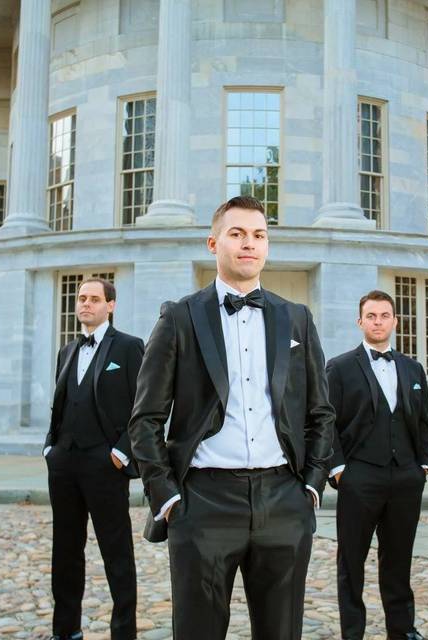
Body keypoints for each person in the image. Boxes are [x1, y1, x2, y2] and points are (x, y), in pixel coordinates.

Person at [128, 195, 336, 640]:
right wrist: (166, 496)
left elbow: (320, 411)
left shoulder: (296, 318)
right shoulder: (179, 318)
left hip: (283, 500)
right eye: (237, 233)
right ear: (213, 242)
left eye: (259, 235)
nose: (249, 244)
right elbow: (145, 418)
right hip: (203, 503)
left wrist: (312, 489)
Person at [326, 290, 428, 640]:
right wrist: (339, 469)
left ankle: (402, 630)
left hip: (405, 477)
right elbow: (326, 423)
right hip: (359, 476)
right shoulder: (339, 368)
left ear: (394, 321)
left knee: (399, 559)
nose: (378, 322)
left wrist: (423, 466)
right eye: (371, 316)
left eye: (384, 315)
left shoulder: (413, 368)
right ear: (360, 321)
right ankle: (352, 632)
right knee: (351, 562)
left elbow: (423, 423)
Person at [43, 278, 144, 640]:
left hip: (105, 465)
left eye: (94, 299)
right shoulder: (66, 350)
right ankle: (65, 630)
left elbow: (143, 406)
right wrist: (50, 446)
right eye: (81, 298)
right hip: (64, 464)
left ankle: (124, 633)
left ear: (110, 306)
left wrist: (121, 452)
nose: (85, 304)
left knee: (116, 555)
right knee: (65, 552)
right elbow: (60, 403)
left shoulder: (130, 348)